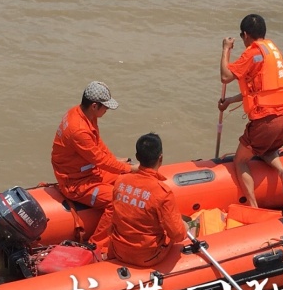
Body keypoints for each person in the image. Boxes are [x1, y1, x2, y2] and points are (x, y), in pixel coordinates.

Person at [219, 13, 283, 208]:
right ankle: (282, 172)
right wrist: (230, 101)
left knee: (240, 161)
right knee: (267, 150)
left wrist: (225, 49)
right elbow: (259, 91)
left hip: (265, 122)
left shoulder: (252, 54)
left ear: (245, 34)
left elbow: (225, 76)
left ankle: (253, 206)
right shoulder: (272, 50)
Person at [51, 81, 138, 245]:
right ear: (94, 106)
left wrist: (115, 161)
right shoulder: (79, 130)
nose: (107, 111)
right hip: (76, 183)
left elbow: (98, 144)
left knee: (128, 180)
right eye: (105, 107)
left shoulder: (83, 115)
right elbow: (100, 160)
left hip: (89, 170)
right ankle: (96, 244)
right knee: (116, 200)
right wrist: (130, 168)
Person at [107, 133, 189, 267]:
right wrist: (184, 227)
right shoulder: (162, 193)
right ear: (160, 158)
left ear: (137, 157)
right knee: (183, 228)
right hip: (148, 257)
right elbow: (177, 235)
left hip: (119, 251)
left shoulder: (120, 181)